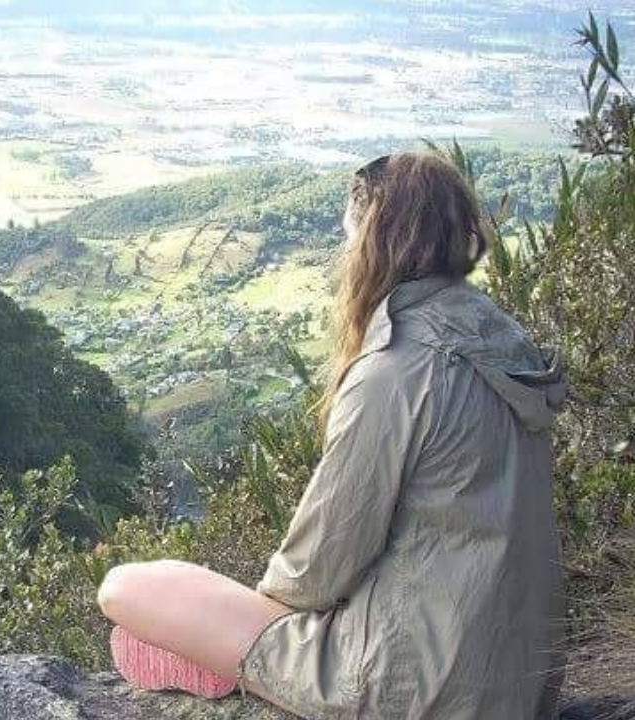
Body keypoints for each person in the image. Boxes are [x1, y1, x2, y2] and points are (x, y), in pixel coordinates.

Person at [95, 150, 567, 720]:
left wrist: (249, 631)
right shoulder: (505, 341)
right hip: (522, 686)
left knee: (125, 587)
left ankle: (239, 671)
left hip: (414, 692)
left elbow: (313, 574)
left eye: (349, 240)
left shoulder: (396, 370)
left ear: (373, 242)